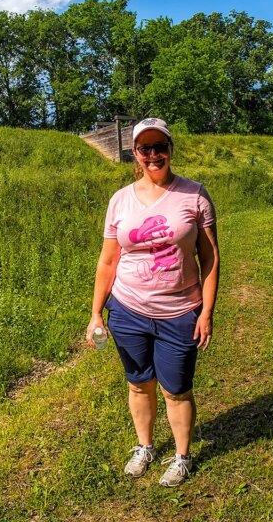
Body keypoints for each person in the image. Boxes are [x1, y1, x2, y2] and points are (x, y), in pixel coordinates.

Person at [86, 117, 219, 487]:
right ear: (135, 153)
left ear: (171, 149)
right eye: (145, 148)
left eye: (160, 147)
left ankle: (182, 456)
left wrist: (206, 312)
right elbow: (108, 260)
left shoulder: (194, 195)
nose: (153, 155)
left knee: (176, 389)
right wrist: (96, 312)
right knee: (138, 383)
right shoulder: (120, 200)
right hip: (127, 311)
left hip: (179, 313)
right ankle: (144, 447)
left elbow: (209, 257)